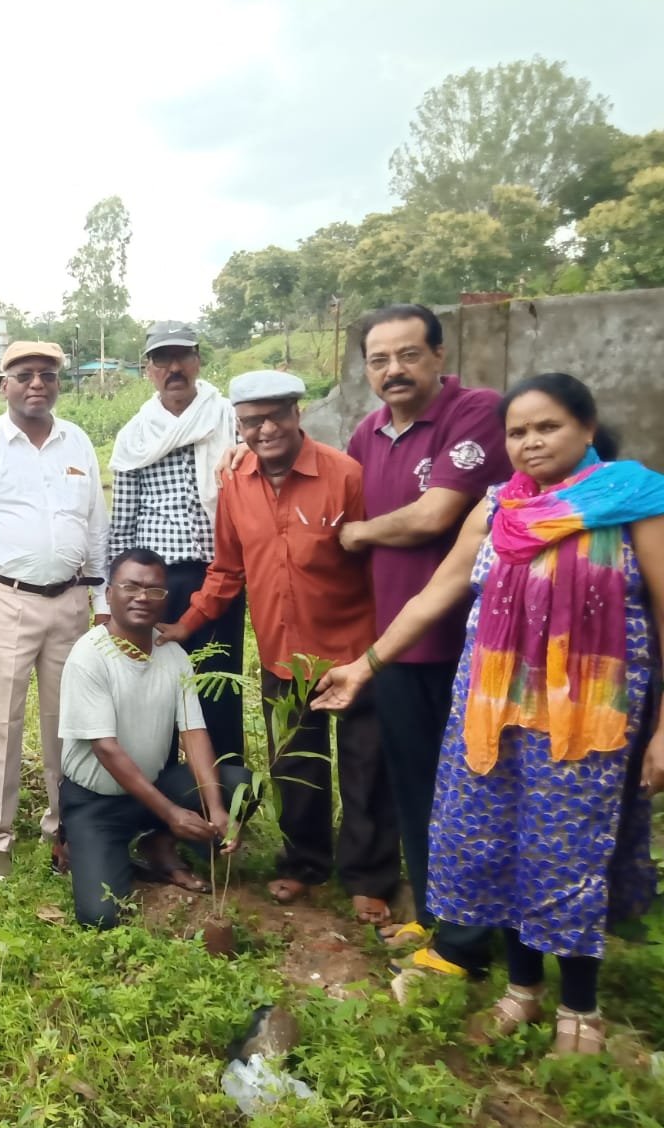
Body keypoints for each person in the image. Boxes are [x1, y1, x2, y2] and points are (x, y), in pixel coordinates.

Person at [315, 373, 663, 1051]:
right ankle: (522, 993)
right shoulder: (497, 509)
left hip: (586, 720)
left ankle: (581, 1009)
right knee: (496, 843)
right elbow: (433, 596)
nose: (531, 442)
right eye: (518, 431)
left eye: (547, 427)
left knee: (568, 853)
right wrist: (365, 665)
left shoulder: (634, 502)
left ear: (587, 428)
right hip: (492, 714)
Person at [158, 370, 400, 921]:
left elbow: (377, 565)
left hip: (352, 651)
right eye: (250, 421)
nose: (263, 429)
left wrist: (378, 651)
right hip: (282, 655)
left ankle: (369, 876)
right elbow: (226, 569)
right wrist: (187, 623)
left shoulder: (344, 476)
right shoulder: (236, 483)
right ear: (238, 426)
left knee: (366, 766)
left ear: (298, 414)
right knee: (296, 765)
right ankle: (305, 863)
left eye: (275, 416)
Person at [340, 304, 511, 974]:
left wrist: (358, 533)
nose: (394, 370)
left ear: (438, 356)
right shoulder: (367, 433)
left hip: (467, 646)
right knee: (415, 785)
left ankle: (470, 937)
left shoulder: (476, 414)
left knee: (469, 790)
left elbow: (436, 515)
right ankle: (435, 916)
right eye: (380, 360)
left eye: (408, 355)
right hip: (398, 645)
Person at [0, 340, 109, 881]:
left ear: (58, 384)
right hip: (4, 602)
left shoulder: (77, 442)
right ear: (3, 384)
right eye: (24, 375)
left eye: (47, 375)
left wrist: (103, 602)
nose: (36, 384)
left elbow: (96, 529)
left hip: (69, 603)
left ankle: (64, 828)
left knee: (71, 724)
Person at [58, 548, 252, 928]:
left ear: (166, 598)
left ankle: (159, 843)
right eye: (131, 587)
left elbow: (193, 732)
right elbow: (106, 749)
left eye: (154, 590)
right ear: (110, 592)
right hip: (96, 804)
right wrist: (173, 813)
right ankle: (80, 844)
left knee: (239, 783)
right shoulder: (89, 657)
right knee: (100, 916)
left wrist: (215, 808)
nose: (142, 598)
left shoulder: (174, 655)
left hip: (153, 788)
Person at [107, 321, 244, 763]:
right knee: (153, 691)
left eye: (182, 356)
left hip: (217, 574)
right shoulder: (136, 435)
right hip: (155, 582)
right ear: (149, 370)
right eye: (162, 359)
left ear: (198, 360)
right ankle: (160, 801)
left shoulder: (229, 419)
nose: (174, 367)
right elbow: (124, 523)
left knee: (217, 684)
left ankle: (223, 796)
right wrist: (114, 594)